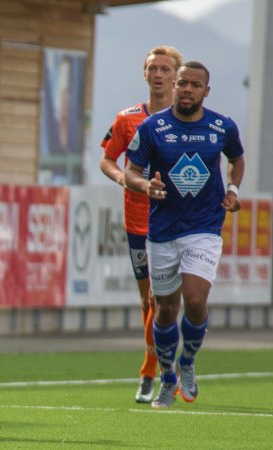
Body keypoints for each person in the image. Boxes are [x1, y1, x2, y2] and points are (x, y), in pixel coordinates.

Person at [124, 61, 244, 409]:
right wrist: (146, 184)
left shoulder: (222, 126)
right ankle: (168, 376)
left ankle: (188, 360)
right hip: (162, 232)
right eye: (182, 83)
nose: (187, 89)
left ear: (207, 91)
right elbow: (130, 171)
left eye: (195, 84)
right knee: (164, 311)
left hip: (204, 228)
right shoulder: (152, 128)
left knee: (194, 299)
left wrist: (233, 189)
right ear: (174, 87)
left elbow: (237, 159)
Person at [98, 45, 183, 403]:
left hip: (179, 222)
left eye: (165, 69)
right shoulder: (127, 118)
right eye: (153, 68)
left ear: (177, 77)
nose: (159, 74)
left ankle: (157, 370)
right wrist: (123, 178)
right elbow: (106, 159)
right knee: (149, 302)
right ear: (144, 74)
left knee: (169, 301)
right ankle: (155, 367)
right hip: (139, 221)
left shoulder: (190, 122)